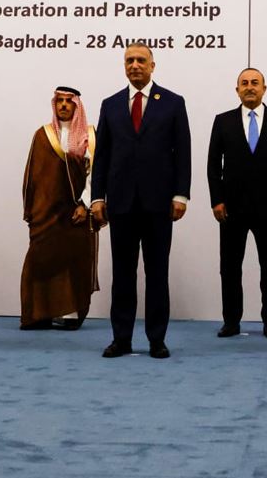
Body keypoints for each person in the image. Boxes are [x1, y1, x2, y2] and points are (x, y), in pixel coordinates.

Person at [90, 43, 190, 359]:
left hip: (159, 203)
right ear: (124, 66)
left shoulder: (173, 102)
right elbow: (102, 155)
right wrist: (96, 197)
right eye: (129, 60)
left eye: (141, 60)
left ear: (152, 65)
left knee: (157, 274)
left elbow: (183, 151)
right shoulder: (110, 105)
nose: (135, 65)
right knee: (122, 275)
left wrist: (180, 194)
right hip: (120, 203)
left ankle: (157, 339)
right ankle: (121, 339)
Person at [206, 67, 267, 339]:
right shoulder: (223, 121)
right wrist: (217, 200)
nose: (249, 87)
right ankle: (231, 321)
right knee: (229, 267)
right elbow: (213, 165)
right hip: (231, 208)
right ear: (237, 90)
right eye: (244, 83)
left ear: (264, 88)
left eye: (255, 82)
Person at [20, 86, 102, 331]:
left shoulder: (89, 136)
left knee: (73, 262)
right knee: (40, 261)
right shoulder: (43, 135)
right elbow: (33, 175)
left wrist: (85, 205)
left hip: (77, 212)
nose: (64, 105)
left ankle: (69, 314)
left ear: (77, 106)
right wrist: (33, 209)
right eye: (60, 101)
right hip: (47, 211)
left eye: (69, 101)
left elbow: (95, 175)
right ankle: (39, 314)